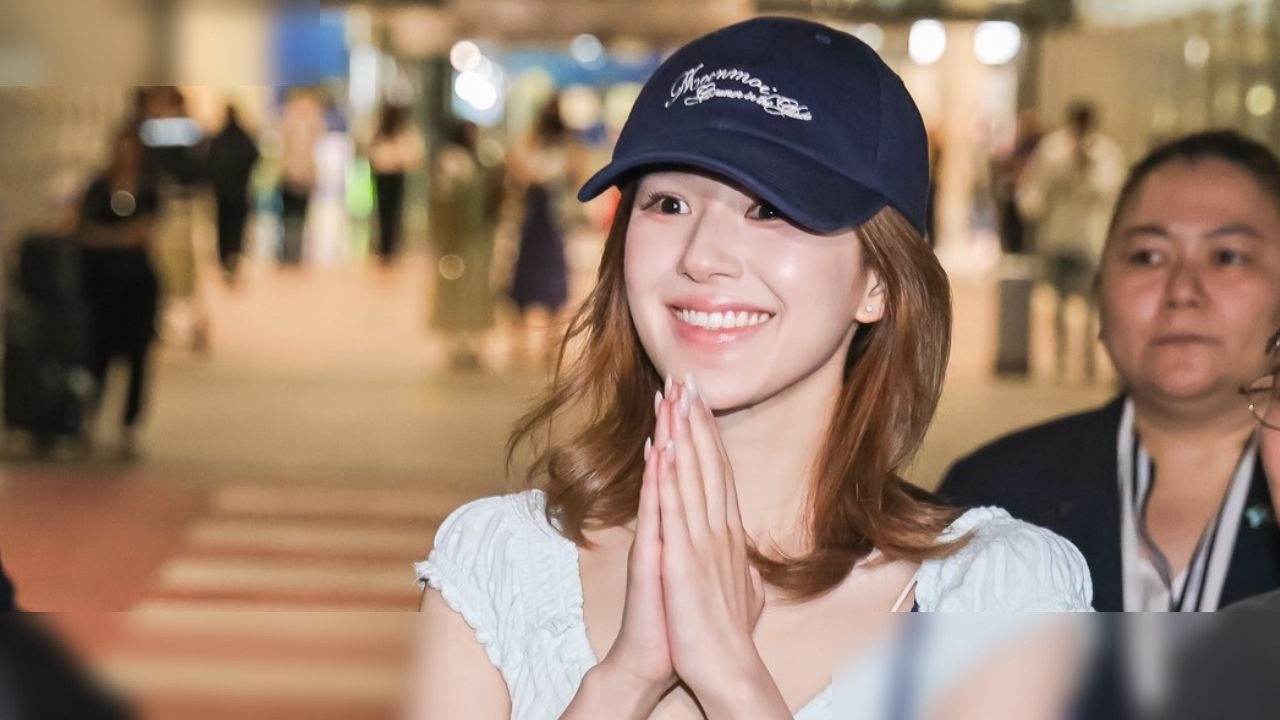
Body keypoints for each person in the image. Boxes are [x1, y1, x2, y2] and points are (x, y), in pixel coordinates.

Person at [412, 18, 1091, 720]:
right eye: (668, 203)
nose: (702, 256)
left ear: (879, 281)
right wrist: (625, 680)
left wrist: (732, 678)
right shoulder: (499, 570)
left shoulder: (1001, 599)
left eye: (769, 208)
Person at [940, 130, 1280, 612]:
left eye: (1227, 256)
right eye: (1148, 256)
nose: (1182, 290)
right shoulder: (991, 496)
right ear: (1100, 288)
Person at [1017, 101, 1125, 380]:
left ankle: (1088, 358)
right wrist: (1062, 171)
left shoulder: (1106, 153)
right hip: (1057, 236)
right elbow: (1033, 191)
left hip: (1090, 238)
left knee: (1090, 303)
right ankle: (1060, 357)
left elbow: (1112, 192)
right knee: (1056, 301)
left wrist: (1088, 168)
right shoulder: (1053, 150)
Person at [78, 124, 162, 460]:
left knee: (137, 356)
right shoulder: (98, 187)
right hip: (101, 285)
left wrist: (106, 237)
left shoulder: (149, 188)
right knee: (97, 352)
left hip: (137, 285)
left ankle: (129, 425)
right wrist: (120, 238)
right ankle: (89, 414)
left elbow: (143, 233)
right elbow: (84, 230)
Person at [506, 95, 576, 366]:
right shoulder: (531, 140)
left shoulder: (567, 145)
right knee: (526, 279)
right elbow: (517, 171)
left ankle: (550, 343)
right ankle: (520, 341)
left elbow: (575, 173)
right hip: (534, 217)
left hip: (554, 219)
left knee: (553, 281)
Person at [428, 121, 500, 370]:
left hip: (476, 238)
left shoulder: (477, 161)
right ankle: (457, 344)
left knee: (475, 292)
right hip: (457, 240)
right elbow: (442, 203)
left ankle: (472, 345)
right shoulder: (451, 161)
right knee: (456, 291)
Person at [207, 103, 260, 284]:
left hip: (224, 193)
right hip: (238, 193)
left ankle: (227, 258)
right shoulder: (243, 139)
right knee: (236, 228)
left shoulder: (219, 140)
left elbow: (209, 163)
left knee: (225, 228)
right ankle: (233, 256)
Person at [368, 103, 425, 265]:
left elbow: (414, 155)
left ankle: (391, 246)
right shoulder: (381, 131)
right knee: (384, 212)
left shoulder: (404, 133)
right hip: (382, 176)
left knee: (393, 212)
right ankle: (384, 246)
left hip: (396, 175)